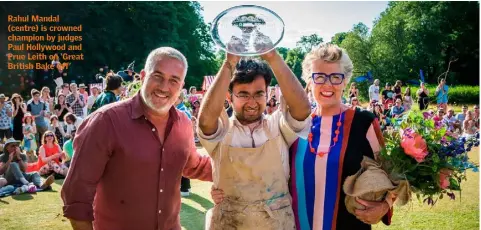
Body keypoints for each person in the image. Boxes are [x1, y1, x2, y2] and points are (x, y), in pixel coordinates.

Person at [211, 44, 394, 230]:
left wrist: (385, 204)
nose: (327, 84)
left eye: (336, 77)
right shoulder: (292, 125)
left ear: (346, 81)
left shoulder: (364, 123)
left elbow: (390, 173)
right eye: (319, 77)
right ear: (308, 81)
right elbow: (262, 169)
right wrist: (221, 188)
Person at [61, 47, 213, 230]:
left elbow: (193, 165)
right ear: (142, 76)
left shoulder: (183, 124)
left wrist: (242, 166)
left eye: (174, 80)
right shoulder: (105, 122)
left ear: (181, 86)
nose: (164, 87)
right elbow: (75, 197)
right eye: (158, 76)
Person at [199, 47, 311, 228]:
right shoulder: (221, 131)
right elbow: (205, 122)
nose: (252, 102)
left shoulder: (277, 127)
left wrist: (273, 58)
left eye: (259, 94)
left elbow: (302, 109)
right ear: (229, 96)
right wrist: (228, 64)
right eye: (243, 94)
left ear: (267, 93)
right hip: (229, 224)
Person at [175, 91, 193, 197]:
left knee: (182, 166)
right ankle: (186, 187)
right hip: (183, 141)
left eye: (176, 98)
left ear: (180, 99)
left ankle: (185, 188)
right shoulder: (182, 109)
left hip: (182, 142)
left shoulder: (181, 111)